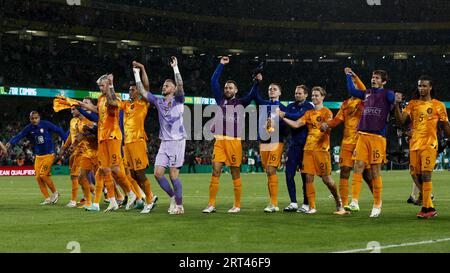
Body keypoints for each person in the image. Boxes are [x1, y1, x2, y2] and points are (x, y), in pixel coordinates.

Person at [202, 56, 258, 214]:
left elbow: (252, 94)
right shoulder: (220, 99)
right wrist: (221, 64)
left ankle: (237, 205)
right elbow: (214, 81)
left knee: (235, 173)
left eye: (230, 88)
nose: (227, 90)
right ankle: (211, 204)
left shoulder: (241, 103)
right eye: (226, 87)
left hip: (234, 142)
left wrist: (256, 82)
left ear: (236, 90)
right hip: (220, 141)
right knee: (215, 171)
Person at [134, 56, 186, 215]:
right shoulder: (158, 101)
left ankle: (179, 205)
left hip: (177, 141)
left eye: (167, 85)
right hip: (164, 142)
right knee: (157, 173)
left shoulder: (179, 99)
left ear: (173, 88)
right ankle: (172, 197)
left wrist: (175, 68)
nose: (164, 86)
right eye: (163, 85)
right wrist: (137, 73)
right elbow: (143, 91)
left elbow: (181, 85)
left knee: (173, 175)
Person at [278, 86, 342, 214]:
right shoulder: (308, 113)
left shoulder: (327, 112)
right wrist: (283, 117)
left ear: (323, 97)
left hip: (322, 150)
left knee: (327, 180)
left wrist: (326, 126)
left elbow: (329, 125)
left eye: (317, 95)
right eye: (313, 95)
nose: (314, 97)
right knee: (308, 178)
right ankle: (312, 207)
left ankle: (338, 202)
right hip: (308, 150)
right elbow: (296, 124)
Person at [395, 75, 450, 219]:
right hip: (414, 144)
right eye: (420, 86)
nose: (422, 88)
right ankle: (429, 205)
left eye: (425, 86)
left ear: (430, 87)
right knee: (415, 175)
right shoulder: (412, 104)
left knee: (426, 175)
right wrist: (396, 104)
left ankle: (427, 208)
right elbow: (401, 121)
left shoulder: (438, 105)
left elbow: (445, 125)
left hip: (430, 144)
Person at [320, 71, 374, 214]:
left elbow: (362, 89)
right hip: (347, 142)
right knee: (344, 172)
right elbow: (338, 120)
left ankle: (377, 201)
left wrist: (353, 76)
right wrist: (328, 124)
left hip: (360, 141)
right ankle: (343, 206)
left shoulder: (365, 100)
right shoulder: (345, 104)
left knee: (367, 175)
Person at [346, 68, 395, 217]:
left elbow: (393, 100)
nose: (374, 79)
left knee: (374, 171)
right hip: (363, 135)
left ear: (384, 81)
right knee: (358, 166)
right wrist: (349, 76)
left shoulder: (387, 94)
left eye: (377, 78)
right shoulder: (366, 93)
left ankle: (377, 204)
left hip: (378, 138)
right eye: (373, 77)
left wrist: (395, 99)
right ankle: (354, 201)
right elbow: (352, 90)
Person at [5, 111, 66, 205]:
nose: (34, 120)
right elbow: (19, 135)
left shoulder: (46, 124)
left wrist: (65, 142)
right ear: (30, 119)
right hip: (38, 156)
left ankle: (55, 193)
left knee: (43, 175)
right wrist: (10, 143)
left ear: (39, 117)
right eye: (32, 118)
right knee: (38, 177)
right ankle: (47, 198)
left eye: (36, 118)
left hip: (49, 154)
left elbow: (59, 130)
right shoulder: (29, 128)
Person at [123, 62, 158, 213]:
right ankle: (149, 197)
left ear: (138, 91)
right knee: (132, 175)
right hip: (127, 143)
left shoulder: (143, 103)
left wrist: (142, 69)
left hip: (138, 141)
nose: (130, 92)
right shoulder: (126, 105)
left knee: (141, 173)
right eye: (129, 90)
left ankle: (149, 200)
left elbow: (147, 87)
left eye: (133, 90)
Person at [283, 85, 314, 213]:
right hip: (293, 145)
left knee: (305, 175)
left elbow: (298, 116)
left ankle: (306, 203)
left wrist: (283, 115)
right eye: (296, 93)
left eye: (300, 93)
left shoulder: (309, 107)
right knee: (289, 174)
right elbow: (286, 119)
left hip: (306, 146)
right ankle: (293, 202)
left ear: (306, 95)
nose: (297, 95)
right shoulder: (290, 106)